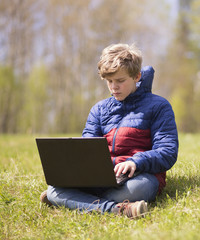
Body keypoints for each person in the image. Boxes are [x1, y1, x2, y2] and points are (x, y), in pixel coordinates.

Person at [40, 43, 178, 218]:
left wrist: (136, 162)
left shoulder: (159, 106)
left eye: (120, 81)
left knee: (140, 188)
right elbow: (86, 150)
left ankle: (75, 201)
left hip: (139, 177)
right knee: (54, 190)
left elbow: (167, 151)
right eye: (109, 81)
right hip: (99, 179)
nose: (114, 87)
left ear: (137, 76)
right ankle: (118, 209)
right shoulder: (99, 109)